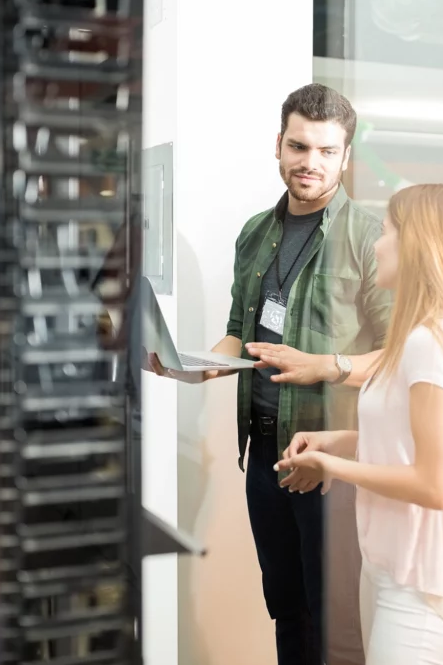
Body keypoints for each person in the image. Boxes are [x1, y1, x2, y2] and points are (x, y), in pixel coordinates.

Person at [148, 83, 391, 665]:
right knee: (286, 605)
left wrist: (328, 367)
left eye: (327, 151)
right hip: (264, 452)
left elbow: (398, 351)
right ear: (278, 145)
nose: (311, 162)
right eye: (299, 146)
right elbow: (240, 330)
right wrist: (197, 368)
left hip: (332, 458)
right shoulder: (255, 232)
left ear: (345, 157)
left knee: (337, 619)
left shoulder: (369, 238)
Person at [274, 184, 443, 665]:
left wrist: (333, 466)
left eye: (385, 232)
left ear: (417, 246)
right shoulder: (418, 339)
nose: (376, 244)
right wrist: (338, 443)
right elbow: (408, 442)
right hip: (388, 566)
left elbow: (433, 483)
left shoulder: (435, 343)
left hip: (421, 583)